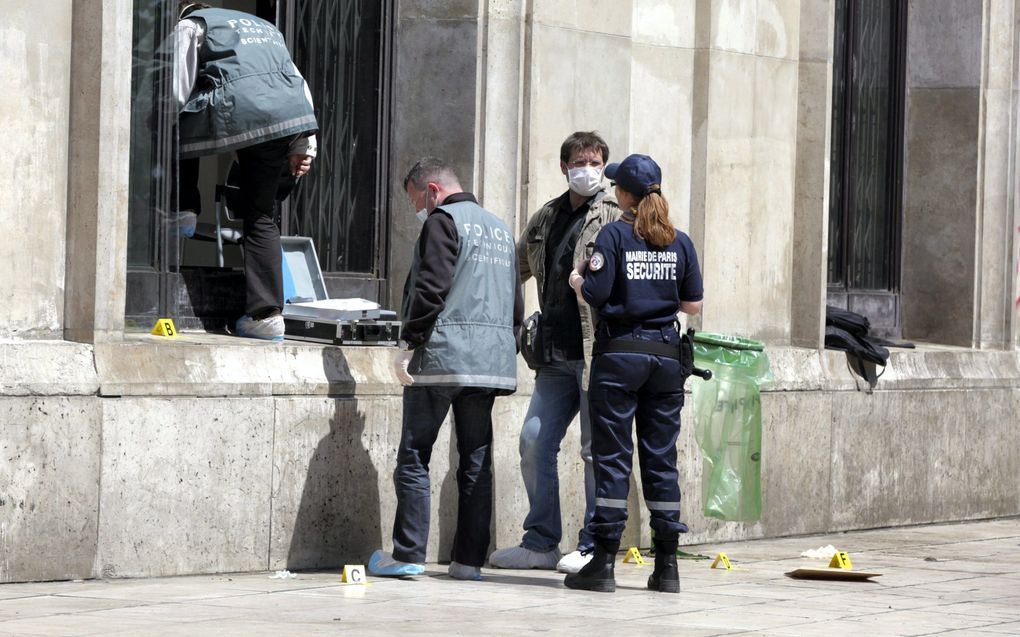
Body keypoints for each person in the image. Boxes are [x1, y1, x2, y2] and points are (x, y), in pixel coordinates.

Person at [369, 158, 523, 581]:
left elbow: (431, 287)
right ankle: (468, 562)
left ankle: (408, 553)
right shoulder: (499, 228)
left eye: (417, 199)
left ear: (433, 190)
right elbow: (515, 304)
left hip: (441, 359)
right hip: (489, 364)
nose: (418, 208)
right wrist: (502, 347)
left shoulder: (442, 221)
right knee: (475, 461)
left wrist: (409, 342)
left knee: (415, 454)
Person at [563, 154, 704, 594]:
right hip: (665, 361)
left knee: (613, 457)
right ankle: (667, 568)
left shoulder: (614, 235)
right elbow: (692, 305)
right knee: (661, 458)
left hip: (619, 358)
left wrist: (577, 281)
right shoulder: (679, 241)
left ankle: (603, 563)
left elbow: (598, 294)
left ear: (622, 193)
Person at [488, 132, 621, 574]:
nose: (589, 169)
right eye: (581, 161)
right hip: (554, 356)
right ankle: (541, 541)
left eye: (596, 162)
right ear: (564, 167)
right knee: (533, 441)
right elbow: (514, 268)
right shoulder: (546, 217)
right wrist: (515, 324)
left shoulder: (616, 216)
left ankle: (591, 545)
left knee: (591, 451)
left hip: (597, 354)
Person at [174, 2, 318, 341]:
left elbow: (176, 89)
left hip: (239, 110)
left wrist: (161, 132)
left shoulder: (192, 24)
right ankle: (267, 316)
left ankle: (184, 209)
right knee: (261, 214)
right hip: (286, 119)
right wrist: (304, 145)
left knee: (176, 125)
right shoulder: (268, 29)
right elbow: (298, 83)